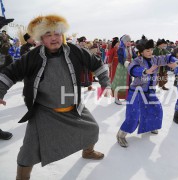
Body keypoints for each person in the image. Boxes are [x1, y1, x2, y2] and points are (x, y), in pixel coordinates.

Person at [0, 14, 111, 179]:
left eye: (57, 34)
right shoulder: (32, 56)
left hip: (73, 107)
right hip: (44, 112)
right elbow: (10, 72)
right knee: (28, 151)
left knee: (92, 128)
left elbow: (97, 64)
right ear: (41, 38)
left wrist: (106, 84)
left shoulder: (76, 51)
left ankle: (88, 152)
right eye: (48, 34)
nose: (53, 38)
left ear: (62, 35)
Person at [116, 39, 178, 147]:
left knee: (156, 109)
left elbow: (167, 57)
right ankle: (121, 135)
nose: (150, 52)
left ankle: (151, 126)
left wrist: (174, 62)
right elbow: (132, 69)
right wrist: (145, 71)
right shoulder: (137, 60)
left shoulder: (155, 59)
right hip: (136, 92)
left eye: (151, 50)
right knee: (134, 115)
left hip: (150, 91)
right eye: (147, 50)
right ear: (141, 52)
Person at [111, 34, 136, 105]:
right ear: (123, 41)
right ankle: (117, 98)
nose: (129, 42)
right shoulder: (121, 49)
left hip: (129, 68)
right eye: (127, 41)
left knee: (129, 82)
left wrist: (139, 60)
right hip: (122, 68)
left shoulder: (131, 49)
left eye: (130, 41)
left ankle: (127, 96)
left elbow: (135, 56)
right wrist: (126, 62)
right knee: (120, 83)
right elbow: (120, 59)